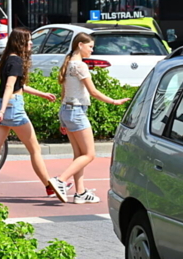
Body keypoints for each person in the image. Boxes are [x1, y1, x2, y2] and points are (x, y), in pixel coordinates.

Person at [0, 27, 57, 189]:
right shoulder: (17, 61)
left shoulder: (8, 59)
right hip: (13, 108)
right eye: (28, 39)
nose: (31, 42)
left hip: (1, 104)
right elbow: (10, 86)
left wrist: (42, 94)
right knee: (35, 149)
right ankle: (49, 185)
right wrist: (3, 111)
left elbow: (18, 86)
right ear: (20, 42)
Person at [47, 33, 131, 204]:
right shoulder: (80, 66)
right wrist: (114, 101)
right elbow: (93, 91)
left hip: (66, 110)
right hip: (77, 111)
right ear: (80, 45)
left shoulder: (68, 63)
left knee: (79, 154)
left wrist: (61, 119)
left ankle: (80, 192)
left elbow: (64, 93)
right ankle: (60, 180)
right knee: (90, 154)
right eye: (90, 46)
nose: (92, 50)